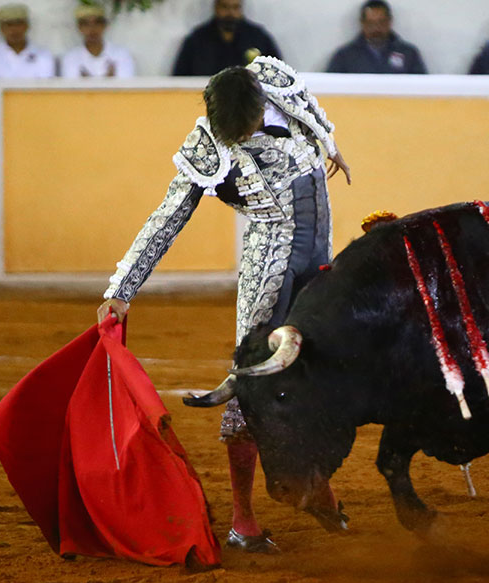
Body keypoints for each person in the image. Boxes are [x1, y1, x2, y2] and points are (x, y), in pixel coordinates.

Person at [97, 57, 351, 553]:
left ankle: (316, 485)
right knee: (249, 385)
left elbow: (312, 115)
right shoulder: (208, 145)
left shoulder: (276, 85)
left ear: (262, 103)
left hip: (319, 263)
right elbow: (167, 217)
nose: (240, 135)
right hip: (269, 268)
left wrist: (334, 148)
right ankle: (243, 519)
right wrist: (122, 289)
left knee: (320, 372)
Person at [173, 0, 282, 76]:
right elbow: (180, 79)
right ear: (216, 7)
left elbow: (278, 72)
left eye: (235, 7)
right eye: (225, 7)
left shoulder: (258, 38)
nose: (230, 13)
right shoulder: (196, 40)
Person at [326, 0, 426, 73]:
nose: (376, 29)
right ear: (362, 23)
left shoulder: (409, 54)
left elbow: (424, 89)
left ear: (389, 22)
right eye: (370, 23)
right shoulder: (345, 56)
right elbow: (329, 89)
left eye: (381, 22)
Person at [0, 4, 55, 79]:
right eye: (9, 24)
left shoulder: (43, 55)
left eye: (18, 24)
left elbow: (45, 89)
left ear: (27, 26)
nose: (14, 30)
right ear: (1, 28)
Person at [61, 4, 135, 78]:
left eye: (97, 23)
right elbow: (72, 88)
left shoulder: (121, 55)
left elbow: (126, 87)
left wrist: (87, 83)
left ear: (104, 25)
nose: (92, 29)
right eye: (86, 24)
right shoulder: (71, 57)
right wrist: (109, 81)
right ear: (79, 27)